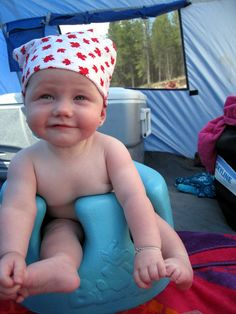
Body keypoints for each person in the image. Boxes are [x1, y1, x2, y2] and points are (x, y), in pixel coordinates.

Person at [0, 30, 193, 303]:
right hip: (63, 220)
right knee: (58, 234)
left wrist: (147, 248)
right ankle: (62, 266)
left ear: (102, 113)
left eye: (79, 98)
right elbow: (17, 208)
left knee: (149, 214)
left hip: (118, 218)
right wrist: (12, 254)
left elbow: (133, 197)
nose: (62, 110)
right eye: (46, 97)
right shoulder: (26, 161)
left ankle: (177, 258)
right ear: (25, 107)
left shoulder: (110, 149)